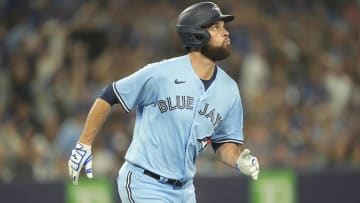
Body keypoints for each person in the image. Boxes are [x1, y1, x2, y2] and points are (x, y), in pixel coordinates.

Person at [68, 2, 260, 202]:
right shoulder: (161, 74)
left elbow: (222, 144)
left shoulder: (229, 89)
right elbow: (110, 94)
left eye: (224, 27)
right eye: (216, 27)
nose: (226, 32)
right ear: (196, 34)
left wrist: (239, 160)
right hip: (144, 183)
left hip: (185, 191)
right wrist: (84, 143)